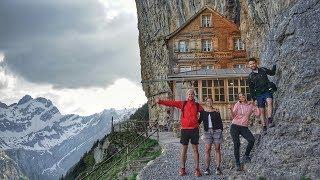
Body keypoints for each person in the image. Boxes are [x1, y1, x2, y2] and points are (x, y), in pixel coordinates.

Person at [156, 89, 203, 177]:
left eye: (192, 94)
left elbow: (203, 113)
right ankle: (182, 169)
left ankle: (197, 169)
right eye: (189, 94)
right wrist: (160, 101)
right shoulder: (183, 103)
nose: (191, 95)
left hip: (194, 130)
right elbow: (172, 103)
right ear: (187, 95)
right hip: (185, 130)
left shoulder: (197, 105)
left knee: (195, 150)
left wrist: (198, 122)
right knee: (183, 150)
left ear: (194, 95)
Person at [228, 92, 259, 171]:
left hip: (244, 127)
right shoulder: (237, 104)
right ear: (239, 99)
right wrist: (230, 109)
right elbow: (233, 116)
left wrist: (255, 105)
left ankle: (246, 155)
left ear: (245, 96)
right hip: (234, 126)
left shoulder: (250, 105)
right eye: (240, 97)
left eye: (243, 96)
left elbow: (258, 114)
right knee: (237, 144)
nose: (242, 97)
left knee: (251, 140)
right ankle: (237, 163)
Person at [248, 57, 276, 131]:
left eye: (253, 63)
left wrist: (275, 65)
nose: (252, 65)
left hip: (267, 91)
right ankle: (264, 126)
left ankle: (269, 120)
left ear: (256, 63)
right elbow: (251, 89)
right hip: (258, 94)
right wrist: (254, 99)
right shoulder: (250, 77)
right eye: (250, 64)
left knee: (270, 102)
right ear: (249, 65)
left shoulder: (263, 70)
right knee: (262, 111)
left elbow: (272, 73)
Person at [198, 98, 223, 175]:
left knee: (217, 149)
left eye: (211, 101)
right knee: (207, 149)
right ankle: (207, 168)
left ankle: (218, 168)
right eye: (208, 101)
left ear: (212, 102)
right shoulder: (203, 112)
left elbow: (220, 121)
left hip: (216, 131)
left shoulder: (216, 111)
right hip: (207, 132)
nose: (209, 102)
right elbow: (198, 122)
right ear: (205, 103)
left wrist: (221, 130)